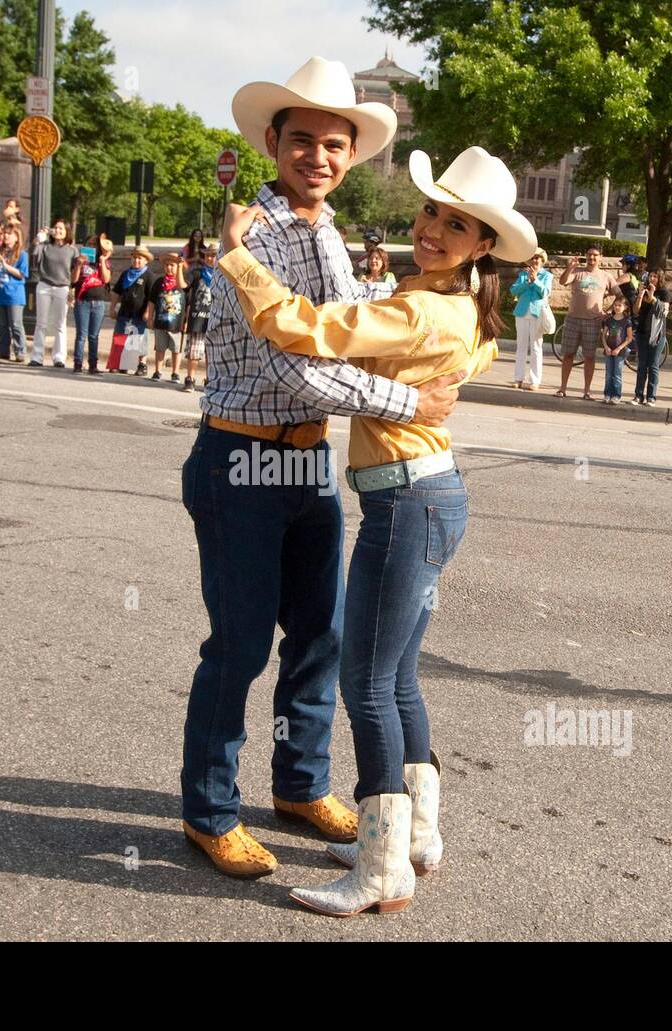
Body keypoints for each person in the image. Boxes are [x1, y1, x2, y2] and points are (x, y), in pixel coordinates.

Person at [218, 144, 535, 916]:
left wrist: (236, 255)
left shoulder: (422, 307)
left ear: (482, 245)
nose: (432, 228)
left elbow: (305, 329)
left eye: (455, 224)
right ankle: (415, 833)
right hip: (431, 495)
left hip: (405, 505)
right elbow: (479, 348)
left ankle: (383, 864)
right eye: (431, 210)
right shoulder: (452, 302)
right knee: (395, 678)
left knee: (365, 682)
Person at [179, 56, 469, 882]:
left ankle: (300, 784)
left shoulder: (325, 229)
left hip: (307, 462)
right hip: (241, 455)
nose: (318, 155)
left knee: (322, 635)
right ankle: (209, 811)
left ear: (353, 154)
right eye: (302, 139)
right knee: (238, 646)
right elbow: (290, 368)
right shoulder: (257, 236)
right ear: (272, 142)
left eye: (334, 144)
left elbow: (348, 324)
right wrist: (411, 404)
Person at [557, 245, 618, 399]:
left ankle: (587, 391)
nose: (592, 258)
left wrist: (609, 311)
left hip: (593, 321)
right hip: (573, 319)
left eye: (595, 255)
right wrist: (570, 267)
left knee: (589, 357)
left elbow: (619, 295)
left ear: (600, 257)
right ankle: (562, 388)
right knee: (568, 354)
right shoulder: (577, 273)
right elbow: (562, 281)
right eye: (589, 255)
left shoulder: (605, 276)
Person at [29, 219, 77, 367]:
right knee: (41, 323)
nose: (57, 231)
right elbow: (33, 255)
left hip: (63, 287)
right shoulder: (46, 247)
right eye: (55, 228)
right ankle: (37, 356)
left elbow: (75, 271)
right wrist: (39, 238)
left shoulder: (72, 250)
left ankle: (59, 357)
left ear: (67, 231)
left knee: (60, 323)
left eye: (61, 228)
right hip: (44, 285)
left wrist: (72, 290)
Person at [109, 245, 156, 375]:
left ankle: (142, 364)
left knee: (140, 339)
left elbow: (152, 297)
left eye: (140, 258)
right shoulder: (125, 274)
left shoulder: (149, 276)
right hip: (125, 312)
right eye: (135, 258)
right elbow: (116, 292)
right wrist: (112, 307)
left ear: (146, 260)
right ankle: (121, 363)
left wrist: (148, 312)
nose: (137, 261)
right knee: (121, 337)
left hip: (140, 314)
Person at [509, 247, 551, 389]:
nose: (534, 261)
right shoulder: (523, 274)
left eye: (537, 258)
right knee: (521, 346)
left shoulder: (547, 276)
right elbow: (513, 290)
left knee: (536, 347)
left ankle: (535, 380)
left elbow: (545, 292)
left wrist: (536, 281)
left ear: (542, 260)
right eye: (532, 258)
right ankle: (518, 378)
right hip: (521, 312)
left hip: (537, 313)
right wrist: (527, 281)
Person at [71, 234, 111, 373]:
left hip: (98, 302)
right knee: (81, 334)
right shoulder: (79, 260)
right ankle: (77, 363)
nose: (92, 247)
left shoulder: (103, 261)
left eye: (95, 244)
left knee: (94, 335)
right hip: (83, 301)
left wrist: (102, 261)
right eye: (89, 244)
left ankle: (93, 364)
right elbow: (74, 280)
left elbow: (106, 279)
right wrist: (79, 265)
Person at [0, 223, 29, 362]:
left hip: (14, 294)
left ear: (17, 237)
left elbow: (21, 274)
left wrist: (5, 266)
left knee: (16, 324)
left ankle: (20, 351)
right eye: (4, 233)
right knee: (3, 325)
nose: (5, 236)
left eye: (9, 233)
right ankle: (3, 351)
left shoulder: (22, 254)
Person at [630, 269, 670, 406]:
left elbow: (663, 312)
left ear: (660, 278)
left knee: (653, 365)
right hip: (642, 333)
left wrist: (652, 297)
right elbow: (635, 311)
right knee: (641, 365)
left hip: (657, 334)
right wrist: (641, 295)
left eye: (655, 276)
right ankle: (638, 395)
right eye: (650, 276)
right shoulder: (644, 290)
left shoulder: (664, 293)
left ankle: (651, 396)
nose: (652, 279)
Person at [146, 251, 187, 382]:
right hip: (160, 322)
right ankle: (158, 371)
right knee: (160, 347)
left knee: (176, 349)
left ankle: (175, 373)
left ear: (178, 267)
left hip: (177, 323)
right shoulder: (159, 283)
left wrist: (186, 321)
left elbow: (188, 304)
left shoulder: (182, 284)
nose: (169, 268)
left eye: (172, 265)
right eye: (167, 265)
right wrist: (150, 316)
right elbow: (152, 301)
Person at [182, 245, 215, 390]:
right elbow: (183, 285)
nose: (210, 258)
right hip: (197, 317)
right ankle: (190, 378)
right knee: (194, 351)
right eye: (208, 255)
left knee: (213, 353)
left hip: (214, 319)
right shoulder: (197, 273)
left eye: (214, 256)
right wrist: (179, 268)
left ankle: (210, 379)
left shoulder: (223, 274)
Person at [601, 295, 633, 403]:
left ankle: (616, 395)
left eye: (619, 305)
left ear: (625, 307)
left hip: (620, 352)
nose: (617, 307)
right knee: (609, 373)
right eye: (615, 305)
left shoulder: (626, 321)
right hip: (609, 350)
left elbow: (629, 337)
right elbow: (604, 335)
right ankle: (607, 394)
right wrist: (606, 347)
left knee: (617, 374)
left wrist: (619, 348)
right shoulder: (609, 320)